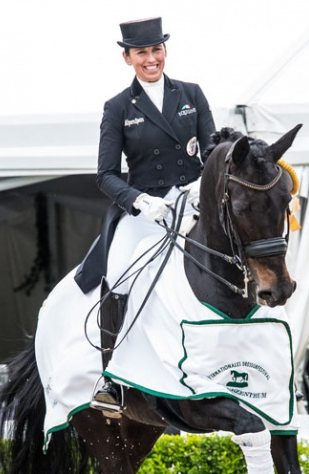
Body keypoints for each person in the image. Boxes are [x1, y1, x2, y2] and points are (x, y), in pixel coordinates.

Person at [78, 16, 216, 414]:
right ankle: (112, 376)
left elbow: (212, 150)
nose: (151, 58)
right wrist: (139, 202)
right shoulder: (119, 107)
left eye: (157, 50)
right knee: (118, 275)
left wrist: (201, 183)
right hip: (145, 209)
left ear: (165, 51)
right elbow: (104, 174)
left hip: (191, 203)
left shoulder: (191, 94)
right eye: (142, 52)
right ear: (128, 58)